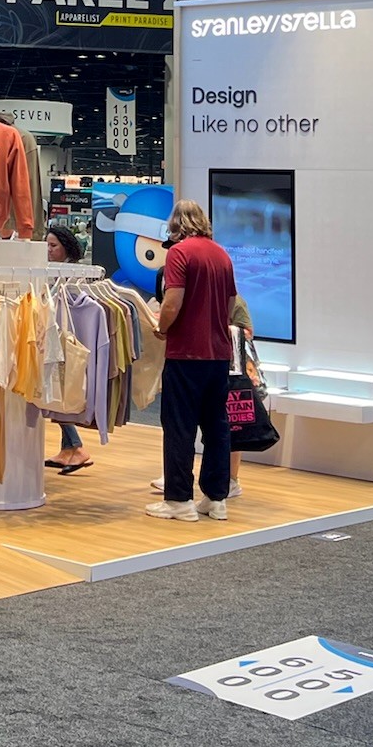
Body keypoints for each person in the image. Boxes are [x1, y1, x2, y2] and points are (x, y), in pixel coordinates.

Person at [146, 199, 236, 523]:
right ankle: (216, 497)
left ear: (176, 226)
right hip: (218, 353)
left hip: (186, 353)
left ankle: (179, 499)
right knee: (216, 427)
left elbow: (172, 302)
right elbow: (230, 305)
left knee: (179, 426)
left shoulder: (180, 254)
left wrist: (161, 327)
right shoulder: (222, 255)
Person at [44, 225, 92, 473]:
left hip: (69, 341)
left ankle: (77, 447)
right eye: (47, 245)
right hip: (61, 338)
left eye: (53, 246)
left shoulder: (74, 275)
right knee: (57, 394)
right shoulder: (55, 271)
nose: (49, 250)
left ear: (66, 246)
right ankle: (68, 450)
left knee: (59, 394)